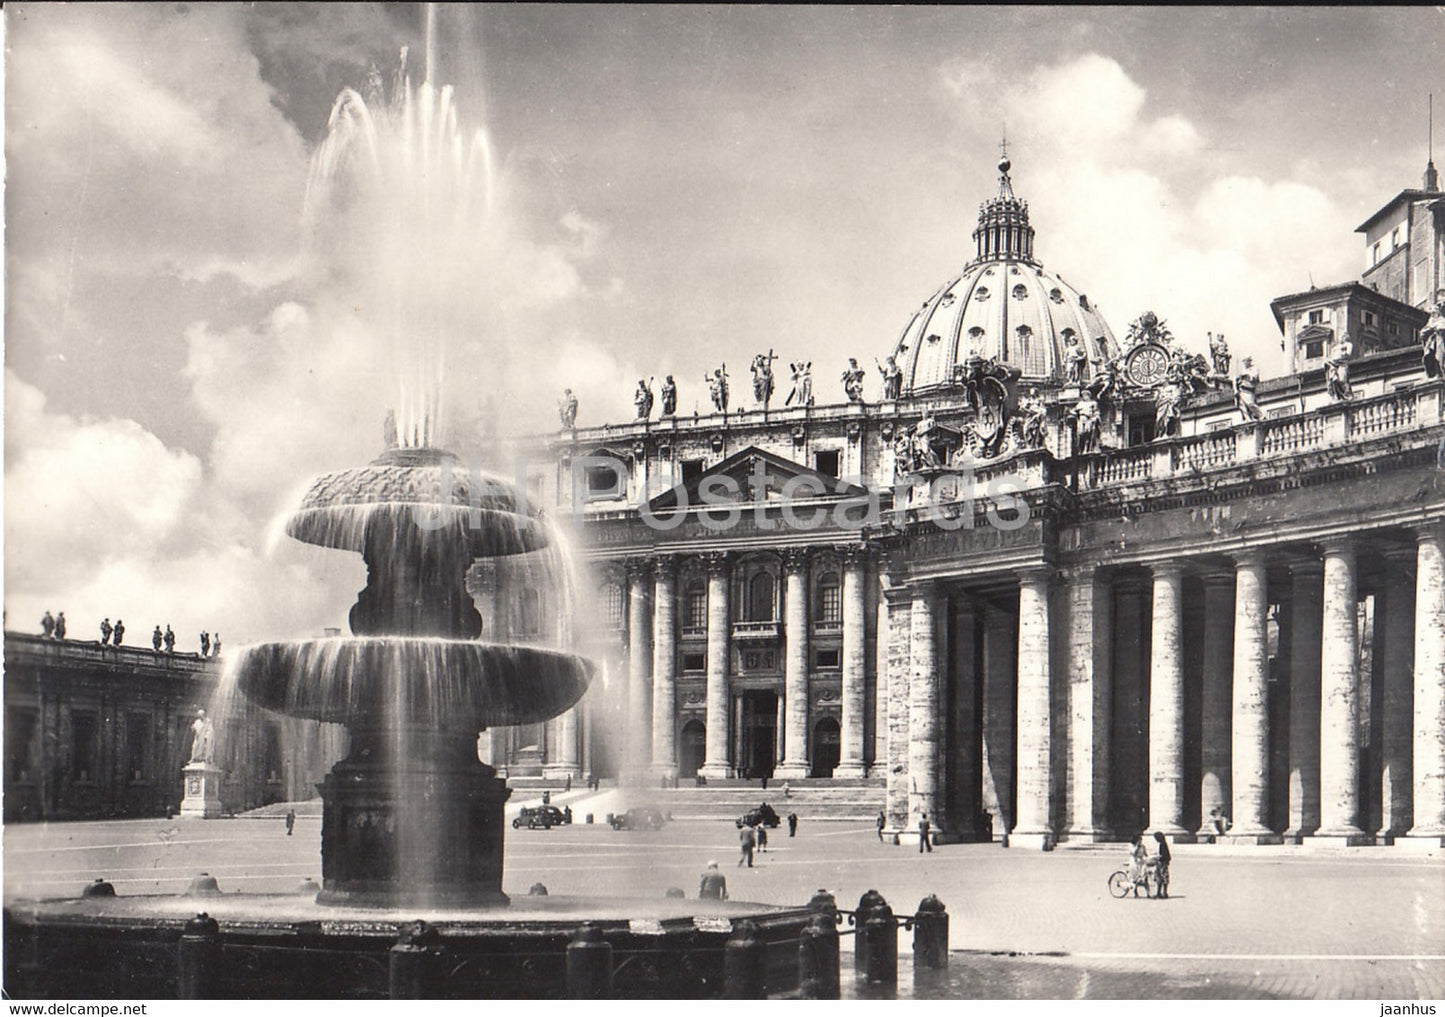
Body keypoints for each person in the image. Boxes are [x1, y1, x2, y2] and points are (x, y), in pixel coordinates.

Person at [1147, 831, 1171, 898]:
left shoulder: (1162, 844)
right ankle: (1163, 893)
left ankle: (1160, 893)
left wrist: (1156, 857)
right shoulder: (1164, 844)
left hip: (1161, 864)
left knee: (1160, 878)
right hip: (1163, 863)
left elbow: (1163, 855)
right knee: (1163, 878)